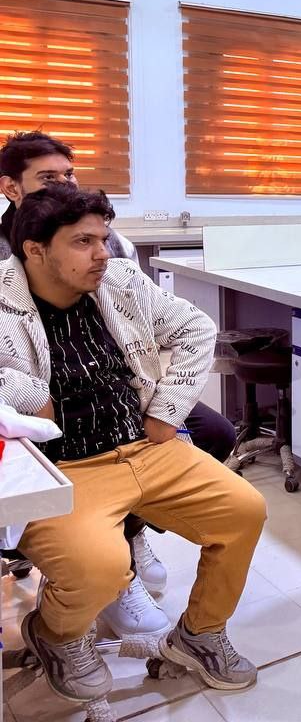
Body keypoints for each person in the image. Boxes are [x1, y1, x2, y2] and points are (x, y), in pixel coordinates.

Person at [0, 185, 266, 703]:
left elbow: (195, 328)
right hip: (66, 466)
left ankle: (200, 633)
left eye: (102, 238)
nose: (103, 252)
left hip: (146, 447)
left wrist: (167, 412)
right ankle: (54, 634)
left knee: (243, 510)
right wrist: (34, 394)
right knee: (100, 567)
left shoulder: (118, 278)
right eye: (82, 242)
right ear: (34, 249)